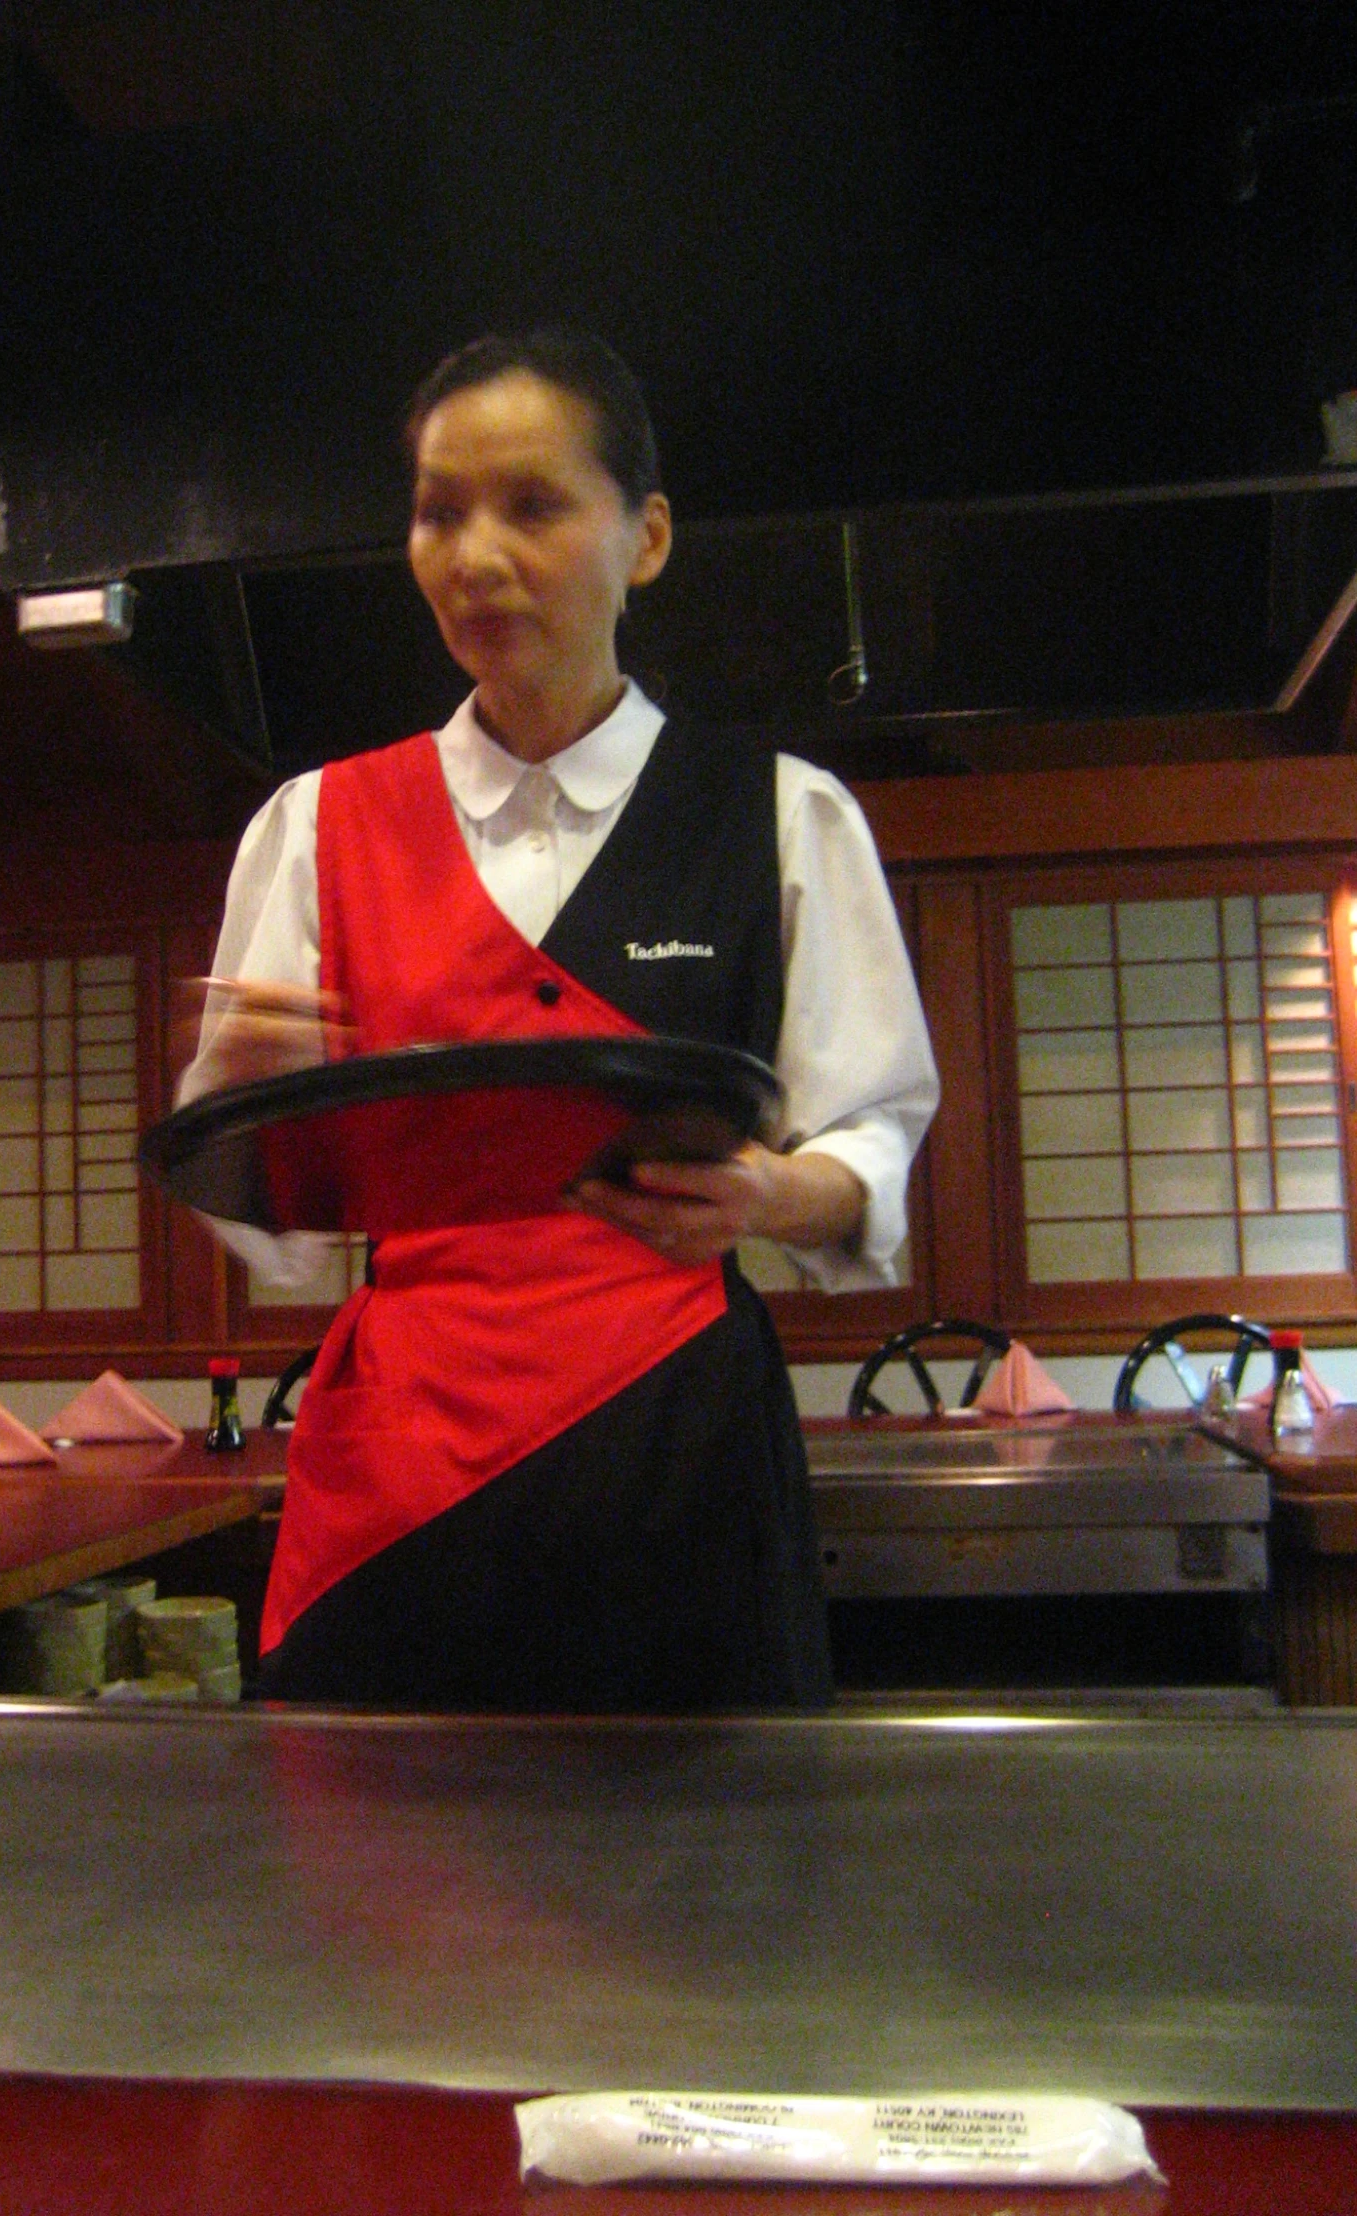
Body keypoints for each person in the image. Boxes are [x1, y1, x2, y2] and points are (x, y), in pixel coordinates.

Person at [181, 329, 938, 1711]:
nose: (474, 555)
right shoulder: (312, 826)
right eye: (437, 511)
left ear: (643, 537)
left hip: (678, 1443)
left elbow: (874, 1141)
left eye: (531, 506)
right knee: (380, 1885)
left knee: (700, 1890)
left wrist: (773, 1192)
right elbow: (266, 1213)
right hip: (401, 1451)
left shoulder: (781, 812)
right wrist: (242, 1099)